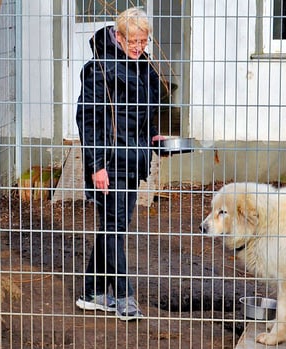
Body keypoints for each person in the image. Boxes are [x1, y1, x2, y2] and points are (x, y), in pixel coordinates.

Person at [75, 7, 165, 321]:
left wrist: (154, 136)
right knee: (114, 228)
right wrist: (97, 166)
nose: (139, 47)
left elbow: (146, 111)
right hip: (110, 162)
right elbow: (88, 120)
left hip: (133, 158)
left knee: (114, 227)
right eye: (133, 41)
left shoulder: (144, 67)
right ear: (118, 36)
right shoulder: (99, 69)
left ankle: (92, 293)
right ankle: (124, 296)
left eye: (143, 41)